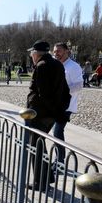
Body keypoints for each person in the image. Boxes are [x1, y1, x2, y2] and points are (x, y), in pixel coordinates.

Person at [26, 40, 71, 190]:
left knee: (36, 145)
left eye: (32, 53)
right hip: (50, 114)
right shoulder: (57, 64)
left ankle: (41, 182)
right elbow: (66, 92)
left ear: (36, 54)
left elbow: (43, 94)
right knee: (39, 144)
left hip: (41, 114)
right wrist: (60, 111)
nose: (31, 56)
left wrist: (54, 111)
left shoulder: (42, 66)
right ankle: (46, 178)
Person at [52, 42, 83, 165]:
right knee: (55, 131)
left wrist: (62, 90)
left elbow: (79, 85)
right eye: (54, 51)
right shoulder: (56, 65)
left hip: (66, 105)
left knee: (57, 131)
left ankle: (60, 161)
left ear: (66, 51)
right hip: (55, 104)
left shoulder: (73, 67)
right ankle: (58, 159)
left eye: (58, 51)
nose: (56, 54)